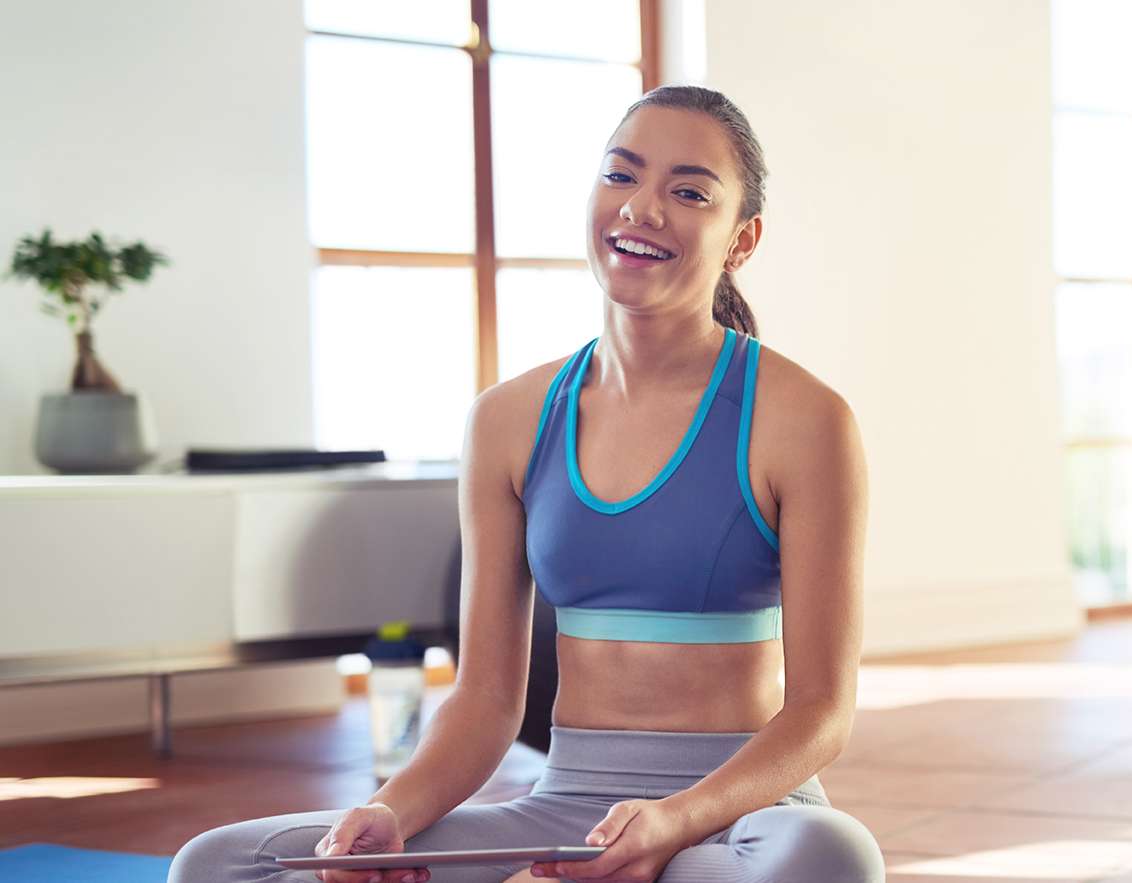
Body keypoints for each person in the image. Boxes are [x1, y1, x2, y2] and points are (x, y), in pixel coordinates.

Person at [167, 84, 884, 883]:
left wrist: (675, 819)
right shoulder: (509, 418)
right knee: (222, 864)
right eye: (621, 175)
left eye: (688, 192)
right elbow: (482, 699)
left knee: (832, 855)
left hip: (734, 822)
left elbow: (821, 712)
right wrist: (391, 813)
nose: (642, 209)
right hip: (567, 814)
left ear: (741, 239)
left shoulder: (805, 420)